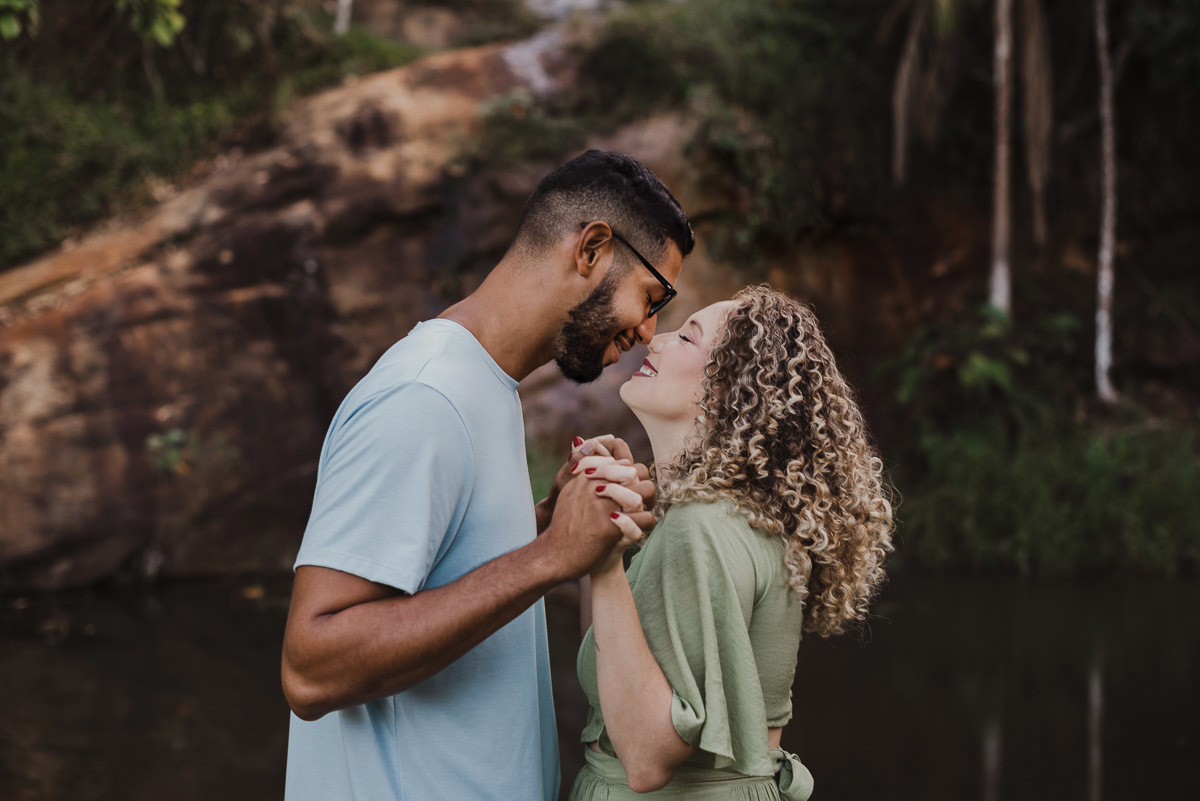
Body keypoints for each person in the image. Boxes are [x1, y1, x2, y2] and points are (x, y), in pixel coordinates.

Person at [280, 149, 694, 801]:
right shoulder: (423, 397)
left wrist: (546, 520)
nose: (647, 331)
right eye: (651, 298)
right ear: (591, 249)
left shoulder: (483, 385)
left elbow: (435, 566)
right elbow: (310, 666)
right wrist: (549, 556)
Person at [568, 285, 896, 800]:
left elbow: (648, 760)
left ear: (730, 390)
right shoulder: (739, 518)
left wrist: (608, 570)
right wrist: (605, 534)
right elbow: (620, 674)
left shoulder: (700, 527)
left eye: (688, 337)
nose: (656, 341)